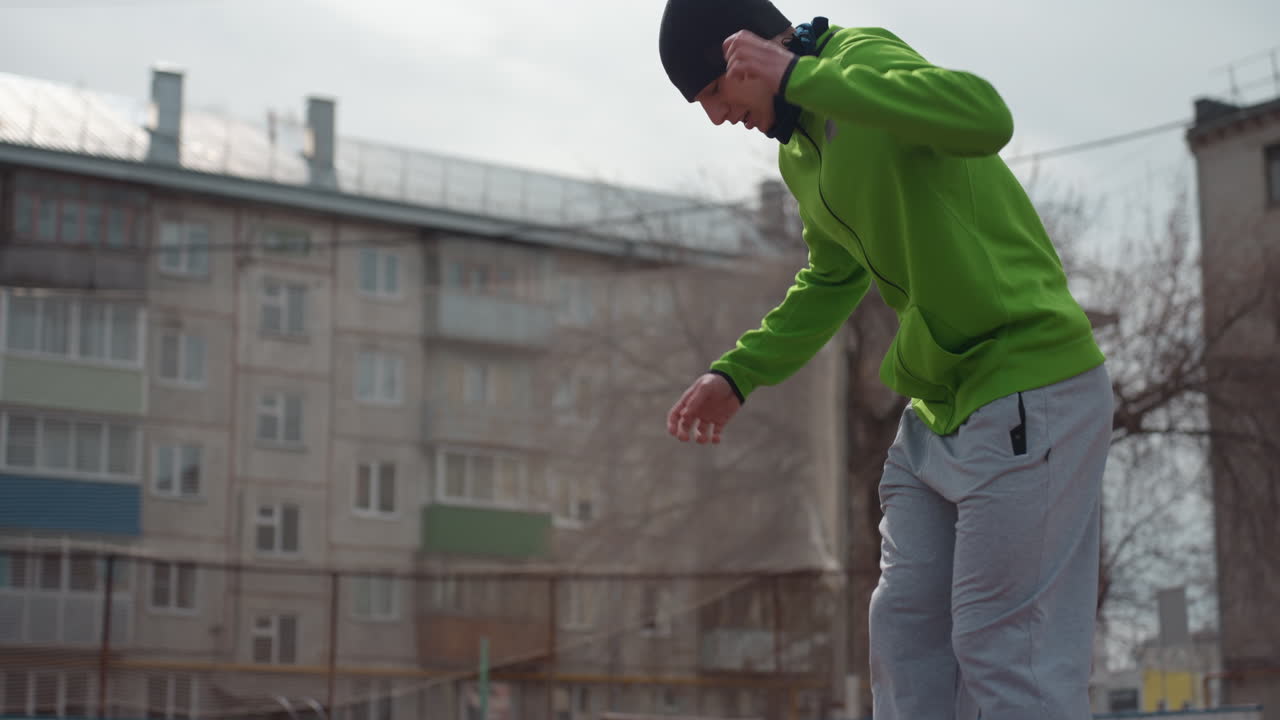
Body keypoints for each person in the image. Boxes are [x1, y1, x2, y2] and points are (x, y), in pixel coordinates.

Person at [657, 2, 1114, 719]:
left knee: (1003, 651)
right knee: (905, 638)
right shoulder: (800, 154)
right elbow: (834, 277)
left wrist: (807, 75)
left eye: (716, 93)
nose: (718, 117)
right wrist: (739, 372)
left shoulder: (857, 60)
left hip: (1031, 381)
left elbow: (986, 118)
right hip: (940, 407)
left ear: (746, 54)